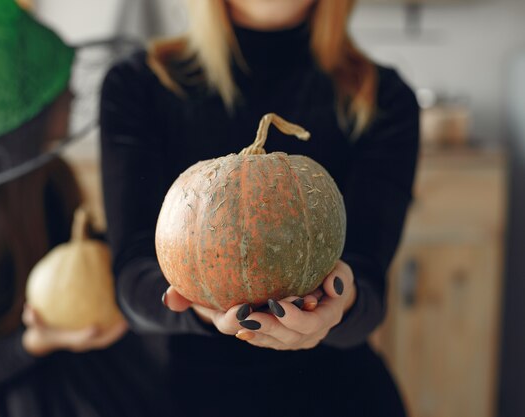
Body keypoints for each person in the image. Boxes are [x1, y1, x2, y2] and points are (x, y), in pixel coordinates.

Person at [100, 0, 419, 416]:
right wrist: (199, 307)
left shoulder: (383, 96)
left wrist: (341, 307)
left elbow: (369, 283)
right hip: (179, 392)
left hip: (334, 393)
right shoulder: (138, 84)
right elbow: (130, 276)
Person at [0, 1, 159, 416]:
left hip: (81, 357)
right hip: (8, 385)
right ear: (32, 117)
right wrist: (37, 342)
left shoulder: (55, 178)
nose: (73, 96)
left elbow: (82, 257)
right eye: (61, 91)